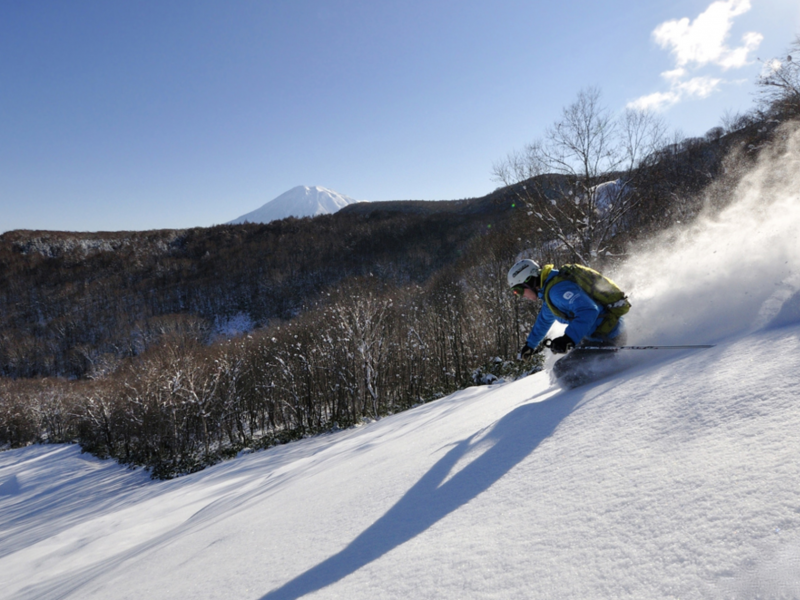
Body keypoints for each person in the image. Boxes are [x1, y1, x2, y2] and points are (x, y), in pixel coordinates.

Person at [507, 259, 627, 383]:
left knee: (564, 370)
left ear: (529, 281)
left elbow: (589, 310)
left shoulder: (557, 291)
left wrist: (568, 338)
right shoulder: (549, 291)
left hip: (608, 337)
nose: (520, 296)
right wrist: (530, 345)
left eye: (519, 291)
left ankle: (601, 392)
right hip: (599, 335)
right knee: (562, 368)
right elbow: (544, 320)